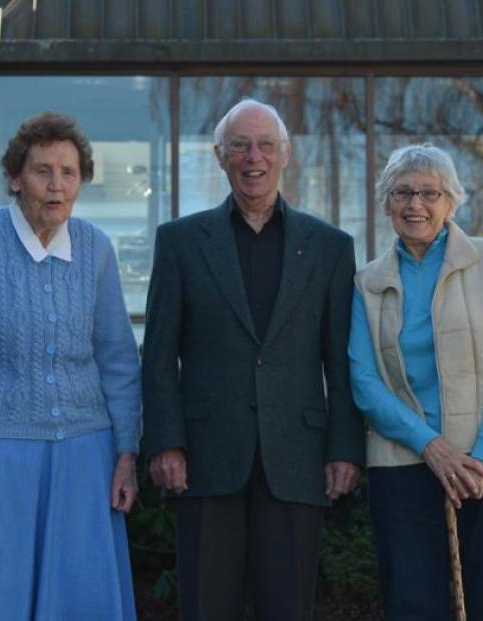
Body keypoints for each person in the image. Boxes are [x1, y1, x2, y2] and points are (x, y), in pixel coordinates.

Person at [141, 98, 364, 621]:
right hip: (203, 458)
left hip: (298, 459)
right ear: (220, 157)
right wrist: (165, 442)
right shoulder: (179, 242)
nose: (253, 157)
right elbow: (157, 355)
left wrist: (345, 448)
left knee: (288, 607)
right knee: (204, 606)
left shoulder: (331, 247)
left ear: (285, 154)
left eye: (265, 144)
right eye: (239, 145)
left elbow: (342, 357)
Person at [0, 111, 141, 620]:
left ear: (81, 180)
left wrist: (127, 451)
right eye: (42, 171)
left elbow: (119, 359)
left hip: (86, 456)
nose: (56, 185)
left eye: (68, 172)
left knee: (80, 597)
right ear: (16, 178)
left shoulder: (97, 250)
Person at [348, 143, 483, 620]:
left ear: (451, 202)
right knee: (413, 604)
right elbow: (364, 380)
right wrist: (431, 445)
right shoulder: (365, 283)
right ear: (386, 201)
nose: (416, 204)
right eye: (403, 192)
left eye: (429, 193)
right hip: (405, 465)